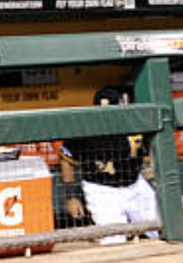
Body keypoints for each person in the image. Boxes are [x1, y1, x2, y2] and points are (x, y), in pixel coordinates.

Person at [59, 87, 160, 245]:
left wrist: (153, 166)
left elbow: (155, 143)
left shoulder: (133, 122)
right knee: (113, 240)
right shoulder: (84, 127)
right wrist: (71, 197)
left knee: (158, 231)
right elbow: (67, 160)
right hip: (102, 191)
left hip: (135, 185)